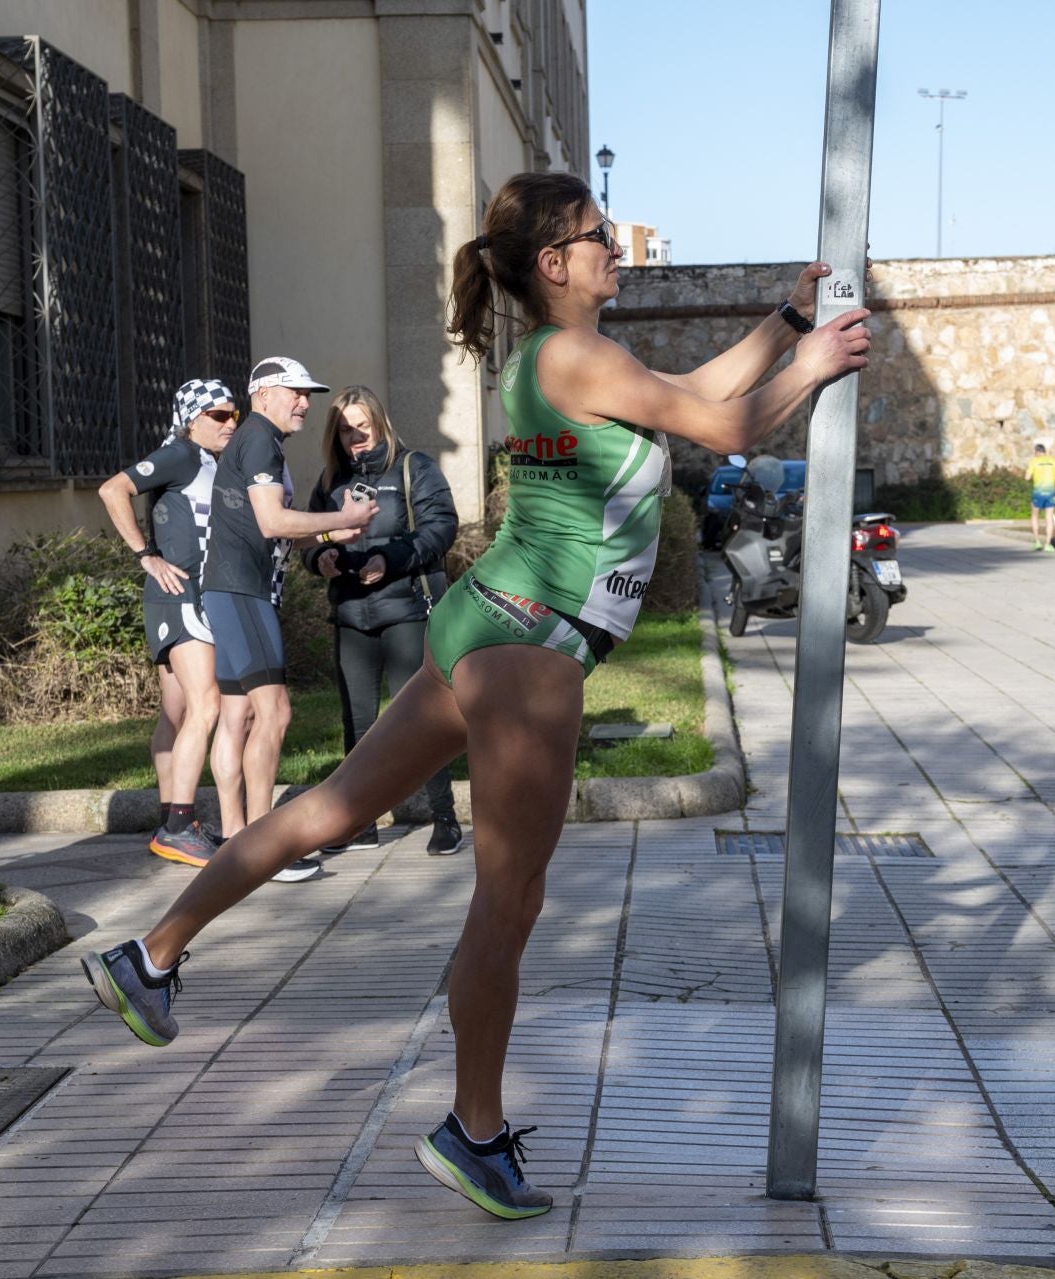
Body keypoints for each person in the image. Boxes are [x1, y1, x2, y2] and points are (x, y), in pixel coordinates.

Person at [80, 171, 870, 1220]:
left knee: (326, 810)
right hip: (533, 652)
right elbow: (725, 430)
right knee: (508, 902)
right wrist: (814, 365)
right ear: (554, 263)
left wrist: (782, 324)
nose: (615, 251)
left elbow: (695, 392)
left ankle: (151, 954)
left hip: (481, 623)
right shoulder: (579, 354)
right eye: (599, 238)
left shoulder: (561, 358)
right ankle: (474, 1132)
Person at [198, 355, 378, 881]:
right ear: (264, 395)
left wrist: (328, 534)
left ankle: (236, 841)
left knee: (239, 717)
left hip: (233, 589)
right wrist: (343, 516)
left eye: (307, 393)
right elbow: (272, 520)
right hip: (241, 593)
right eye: (294, 391)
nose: (304, 402)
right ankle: (265, 849)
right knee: (274, 714)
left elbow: (267, 528)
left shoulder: (258, 441)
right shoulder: (257, 438)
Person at [301, 386, 463, 856]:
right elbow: (308, 539)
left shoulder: (414, 468)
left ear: (380, 424)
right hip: (350, 613)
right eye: (345, 430)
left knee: (422, 721)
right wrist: (322, 559)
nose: (355, 438)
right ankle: (359, 822)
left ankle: (445, 819)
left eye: (362, 428)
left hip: (407, 610)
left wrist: (388, 560)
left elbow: (440, 528)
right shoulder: (330, 480)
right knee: (358, 721)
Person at [97, 380, 239, 867]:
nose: (230, 423)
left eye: (233, 415)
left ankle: (171, 821)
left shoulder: (205, 460)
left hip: (182, 597)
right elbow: (113, 489)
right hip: (181, 597)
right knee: (207, 706)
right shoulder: (181, 453)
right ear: (193, 419)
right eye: (219, 416)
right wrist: (146, 556)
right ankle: (179, 825)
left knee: (176, 714)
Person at [1026, 442, 1055, 551]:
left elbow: (1027, 477)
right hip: (1051, 492)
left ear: (1036, 452)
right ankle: (1048, 544)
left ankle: (1037, 541)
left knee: (1035, 516)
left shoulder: (1034, 462)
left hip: (1038, 493)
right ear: (1045, 452)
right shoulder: (1054, 461)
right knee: (1049, 518)